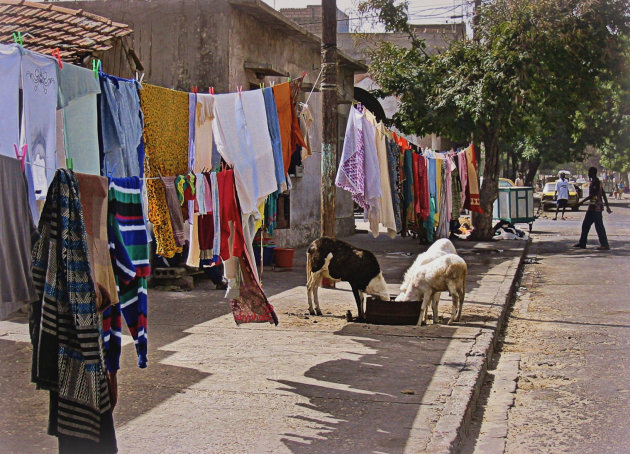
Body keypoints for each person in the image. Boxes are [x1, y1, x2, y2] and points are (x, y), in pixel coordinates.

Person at [573, 167, 612, 250]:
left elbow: (593, 195)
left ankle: (604, 245)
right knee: (585, 225)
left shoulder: (596, 182)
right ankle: (582, 243)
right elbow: (603, 194)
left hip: (596, 208)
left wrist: (581, 202)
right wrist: (607, 206)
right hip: (592, 207)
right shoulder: (594, 182)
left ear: (593, 173)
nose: (588, 173)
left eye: (589, 172)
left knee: (599, 227)